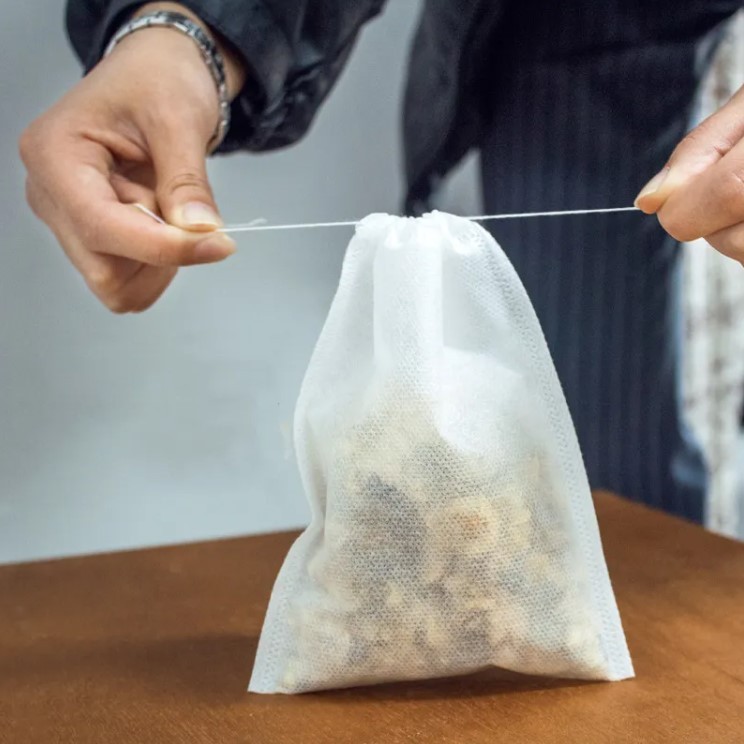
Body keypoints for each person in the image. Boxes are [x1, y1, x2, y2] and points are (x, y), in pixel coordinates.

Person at [19, 0, 744, 523]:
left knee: (613, 471)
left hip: (651, 39)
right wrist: (185, 32)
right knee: (574, 461)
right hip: (561, 30)